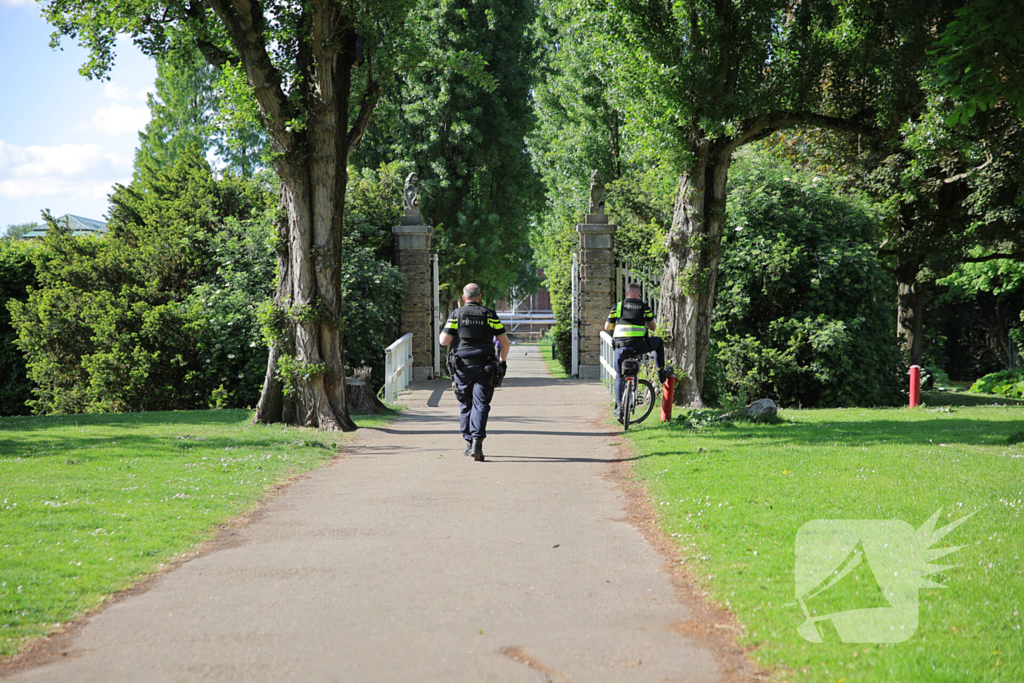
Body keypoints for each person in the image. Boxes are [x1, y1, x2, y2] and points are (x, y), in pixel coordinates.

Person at [440, 283, 510, 461]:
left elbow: (444, 341)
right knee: (481, 405)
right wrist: (502, 362)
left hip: (462, 368)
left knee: (466, 405)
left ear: (464, 298)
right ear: (480, 297)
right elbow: (504, 342)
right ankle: (478, 442)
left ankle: (469, 442)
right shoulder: (489, 314)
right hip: (485, 367)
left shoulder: (456, 314)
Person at [605, 283, 671, 422]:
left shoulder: (618, 306)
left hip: (620, 347)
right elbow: (653, 327)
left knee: (619, 376)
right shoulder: (644, 307)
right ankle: (661, 372)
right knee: (658, 342)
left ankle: (618, 406)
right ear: (639, 294)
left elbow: (607, 326)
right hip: (639, 346)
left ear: (627, 294)